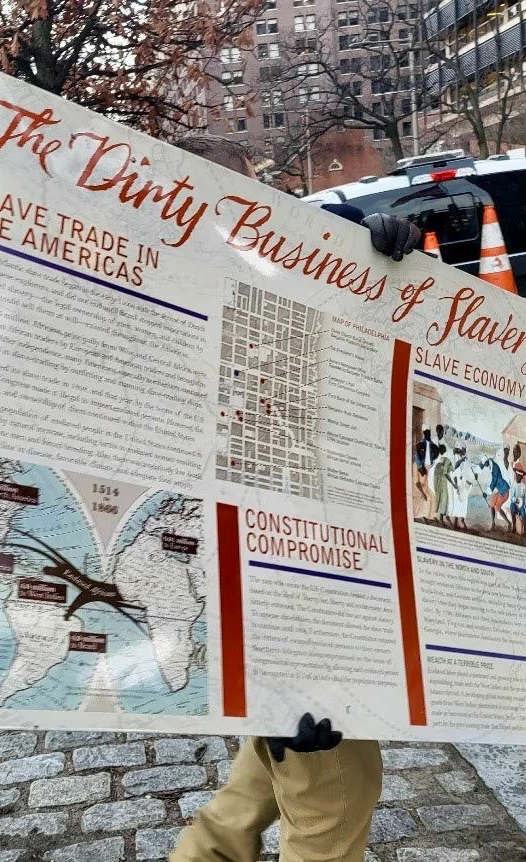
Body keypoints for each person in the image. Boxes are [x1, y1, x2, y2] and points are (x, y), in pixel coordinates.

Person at [168, 133, 421, 862]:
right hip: (289, 606)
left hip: (310, 581)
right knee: (330, 806)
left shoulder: (274, 275)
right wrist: (273, 669)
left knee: (256, 790)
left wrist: (379, 258)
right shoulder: (182, 305)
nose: (253, 213)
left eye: (259, 196)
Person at [449, 446, 472, 530]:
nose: (464, 452)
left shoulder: (464, 458)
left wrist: (468, 481)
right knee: (459, 502)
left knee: (461, 502)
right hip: (457, 483)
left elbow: (465, 471)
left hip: (462, 483)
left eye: (465, 450)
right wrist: (462, 460)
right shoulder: (456, 457)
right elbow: (455, 467)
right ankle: (459, 521)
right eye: (463, 450)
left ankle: (458, 522)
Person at [432, 444, 453, 526]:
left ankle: (436, 516)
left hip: (436, 480)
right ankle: (441, 518)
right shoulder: (446, 459)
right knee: (444, 498)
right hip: (441, 480)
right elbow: (446, 473)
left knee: (438, 497)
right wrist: (452, 483)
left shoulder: (437, 458)